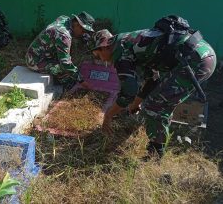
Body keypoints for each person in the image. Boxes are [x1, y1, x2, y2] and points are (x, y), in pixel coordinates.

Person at [89, 16, 216, 157]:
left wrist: (108, 115)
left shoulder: (121, 52)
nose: (98, 58)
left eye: (96, 54)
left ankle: (155, 154)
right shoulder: (127, 41)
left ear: (105, 47)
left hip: (195, 61)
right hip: (204, 54)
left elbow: (129, 90)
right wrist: (136, 103)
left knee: (154, 107)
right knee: (160, 100)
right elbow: (154, 78)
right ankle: (159, 138)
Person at [25, 11, 95, 89]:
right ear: (77, 24)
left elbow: (72, 34)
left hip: (41, 53)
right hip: (35, 61)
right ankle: (63, 86)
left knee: (68, 57)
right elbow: (65, 63)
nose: (83, 33)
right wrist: (81, 80)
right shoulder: (64, 36)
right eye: (83, 31)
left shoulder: (65, 19)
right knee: (65, 71)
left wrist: (83, 37)